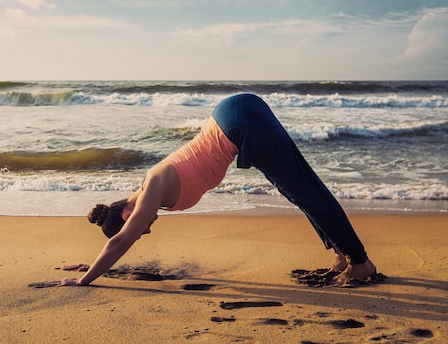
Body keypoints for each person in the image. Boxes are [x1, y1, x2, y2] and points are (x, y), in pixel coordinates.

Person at [49, 93, 376, 287]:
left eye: (141, 230)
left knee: (305, 192)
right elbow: (120, 241)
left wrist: (84, 280)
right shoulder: (151, 185)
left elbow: (120, 241)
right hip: (234, 113)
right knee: (300, 191)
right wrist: (94, 265)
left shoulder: (152, 190)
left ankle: (360, 263)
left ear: (126, 214)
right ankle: (343, 254)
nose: (147, 230)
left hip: (240, 127)